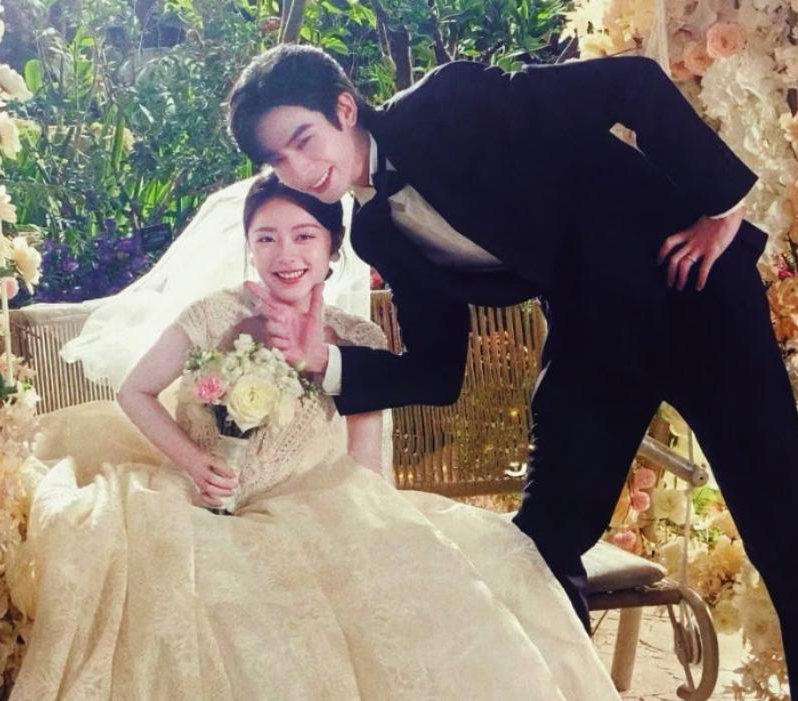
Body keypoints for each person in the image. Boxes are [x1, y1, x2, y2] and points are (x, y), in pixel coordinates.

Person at [228, 44, 798, 681]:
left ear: (343, 108)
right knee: (542, 545)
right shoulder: (377, 233)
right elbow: (437, 371)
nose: (299, 168)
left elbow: (630, 82)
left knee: (783, 526)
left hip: (692, 292)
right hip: (595, 340)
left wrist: (719, 208)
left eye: (303, 140)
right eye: (278, 159)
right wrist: (323, 361)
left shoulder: (450, 102)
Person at [9, 173, 621, 700]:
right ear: (249, 246)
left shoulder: (356, 339)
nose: (286, 254)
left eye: (304, 236)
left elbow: (365, 465)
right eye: (266, 238)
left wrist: (381, 538)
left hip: (308, 507)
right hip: (192, 502)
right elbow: (135, 392)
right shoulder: (213, 314)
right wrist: (193, 461)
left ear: (332, 247)